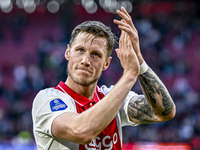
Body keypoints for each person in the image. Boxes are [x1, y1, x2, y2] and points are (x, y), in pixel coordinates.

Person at [32, 7, 176, 150]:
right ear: (68, 53)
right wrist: (129, 75)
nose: (85, 60)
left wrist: (140, 62)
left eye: (95, 54)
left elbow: (164, 111)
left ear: (106, 63)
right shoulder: (48, 99)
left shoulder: (111, 97)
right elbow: (81, 131)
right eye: (80, 50)